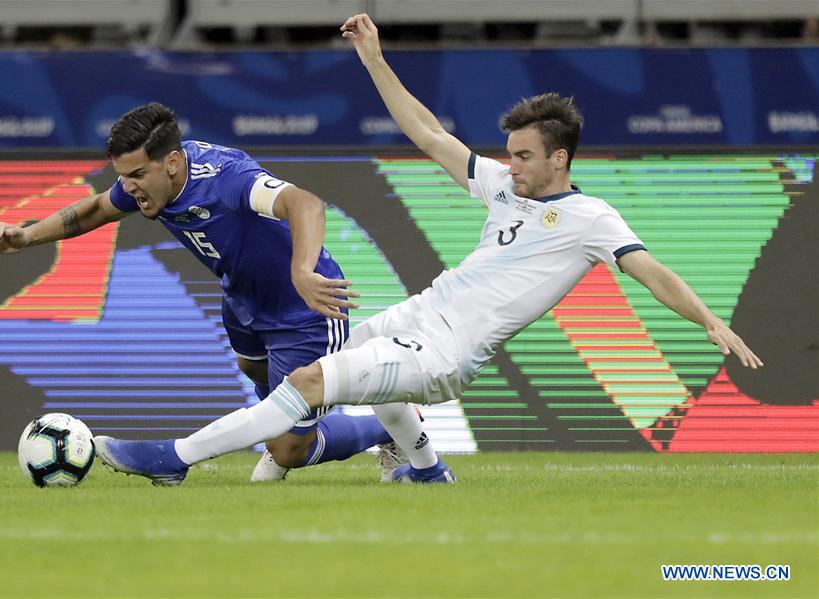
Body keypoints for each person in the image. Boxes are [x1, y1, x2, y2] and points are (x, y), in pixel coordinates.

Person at [93, 15, 763, 484]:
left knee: (306, 383)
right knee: (335, 359)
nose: (510, 163)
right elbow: (424, 132)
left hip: (446, 354)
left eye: (525, 155)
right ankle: (423, 466)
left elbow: (651, 272)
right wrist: (374, 60)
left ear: (560, 158)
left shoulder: (590, 218)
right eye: (510, 152)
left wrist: (707, 319)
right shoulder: (504, 186)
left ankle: (174, 455)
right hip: (419, 313)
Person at [0, 102, 428, 485]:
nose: (129, 187)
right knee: (250, 365)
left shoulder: (227, 179)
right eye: (123, 176)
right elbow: (98, 207)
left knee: (290, 449)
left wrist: (302, 271)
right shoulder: (146, 185)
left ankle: (383, 431)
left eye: (138, 174)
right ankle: (284, 423)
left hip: (304, 308)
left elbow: (305, 203)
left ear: (172, 162)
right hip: (242, 300)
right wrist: (26, 236)